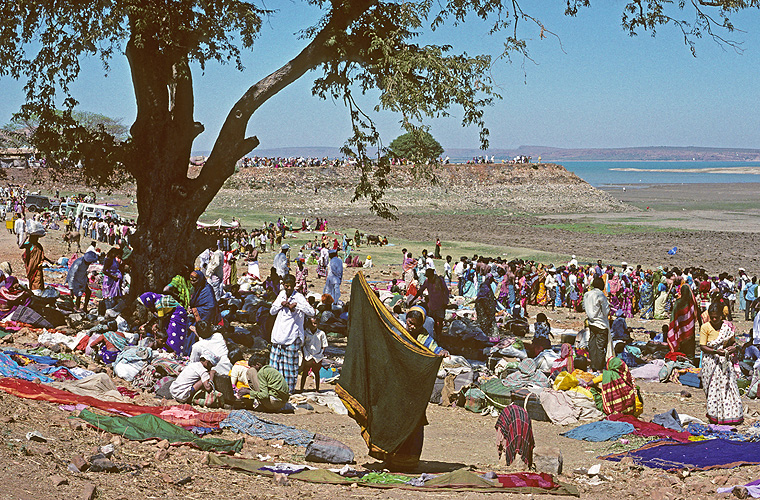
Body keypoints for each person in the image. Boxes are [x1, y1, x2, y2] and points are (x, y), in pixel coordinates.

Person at [269, 274, 315, 392]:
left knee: (289, 367)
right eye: (286, 286)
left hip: (292, 336)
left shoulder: (299, 297)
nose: (288, 288)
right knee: (276, 366)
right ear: (283, 285)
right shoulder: (281, 295)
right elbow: (272, 311)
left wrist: (297, 306)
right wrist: (281, 304)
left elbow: (311, 312)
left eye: (290, 286)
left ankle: (288, 391)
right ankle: (276, 389)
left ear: (294, 286)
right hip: (279, 335)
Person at [700, 303, 743, 425]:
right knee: (714, 389)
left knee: (727, 388)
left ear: (721, 316)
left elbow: (732, 343)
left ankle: (731, 415)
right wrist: (715, 351)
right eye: (712, 317)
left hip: (725, 362)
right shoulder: (705, 327)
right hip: (711, 362)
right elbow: (702, 346)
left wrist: (733, 348)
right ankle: (715, 415)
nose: (714, 319)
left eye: (716, 317)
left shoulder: (727, 327)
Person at [413, 268, 449, 339]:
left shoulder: (440, 280)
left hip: (441, 303)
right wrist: (413, 299)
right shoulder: (427, 281)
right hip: (432, 304)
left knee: (440, 319)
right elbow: (421, 290)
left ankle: (439, 334)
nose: (428, 277)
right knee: (433, 320)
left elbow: (446, 291)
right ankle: (436, 333)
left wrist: (446, 302)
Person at [584, 276, 611, 371]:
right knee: (600, 347)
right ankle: (598, 367)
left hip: (591, 323)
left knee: (592, 345)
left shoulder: (587, 294)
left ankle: (592, 366)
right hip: (601, 324)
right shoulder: (601, 295)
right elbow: (606, 311)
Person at [300, 316, 328, 392]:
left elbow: (324, 345)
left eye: (315, 323)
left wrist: (320, 354)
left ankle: (317, 389)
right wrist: (305, 354)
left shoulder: (321, 333)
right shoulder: (305, 333)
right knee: (305, 372)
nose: (313, 325)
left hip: (317, 356)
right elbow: (303, 344)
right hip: (308, 355)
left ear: (318, 324)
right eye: (311, 323)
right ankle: (301, 389)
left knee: (316, 372)